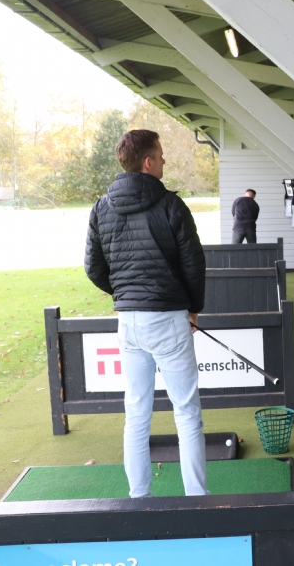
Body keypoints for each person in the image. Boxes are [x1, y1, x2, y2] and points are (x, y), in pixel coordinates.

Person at [85, 129, 208, 499]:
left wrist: (123, 294)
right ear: (148, 162)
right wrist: (194, 308)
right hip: (168, 317)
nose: (165, 161)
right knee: (186, 413)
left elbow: (94, 267)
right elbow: (194, 264)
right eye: (162, 155)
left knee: (136, 413)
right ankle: (198, 501)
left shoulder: (100, 206)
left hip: (129, 321)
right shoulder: (171, 204)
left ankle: (139, 499)